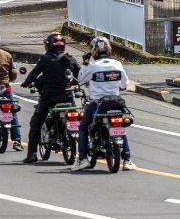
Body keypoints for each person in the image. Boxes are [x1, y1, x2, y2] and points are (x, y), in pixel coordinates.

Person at [72, 37, 134, 172]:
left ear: (94, 52)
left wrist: (84, 63)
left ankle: (82, 158)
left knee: (82, 127)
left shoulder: (92, 66)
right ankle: (127, 160)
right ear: (109, 49)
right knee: (120, 128)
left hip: (97, 104)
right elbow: (125, 84)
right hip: (116, 103)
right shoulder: (117, 64)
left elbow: (80, 79)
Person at [21, 32, 81, 164]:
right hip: (67, 96)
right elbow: (78, 76)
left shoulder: (45, 59)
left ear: (49, 45)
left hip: (49, 97)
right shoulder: (70, 59)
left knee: (36, 123)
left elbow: (33, 74)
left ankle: (32, 154)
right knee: (77, 120)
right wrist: (72, 84)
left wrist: (25, 83)